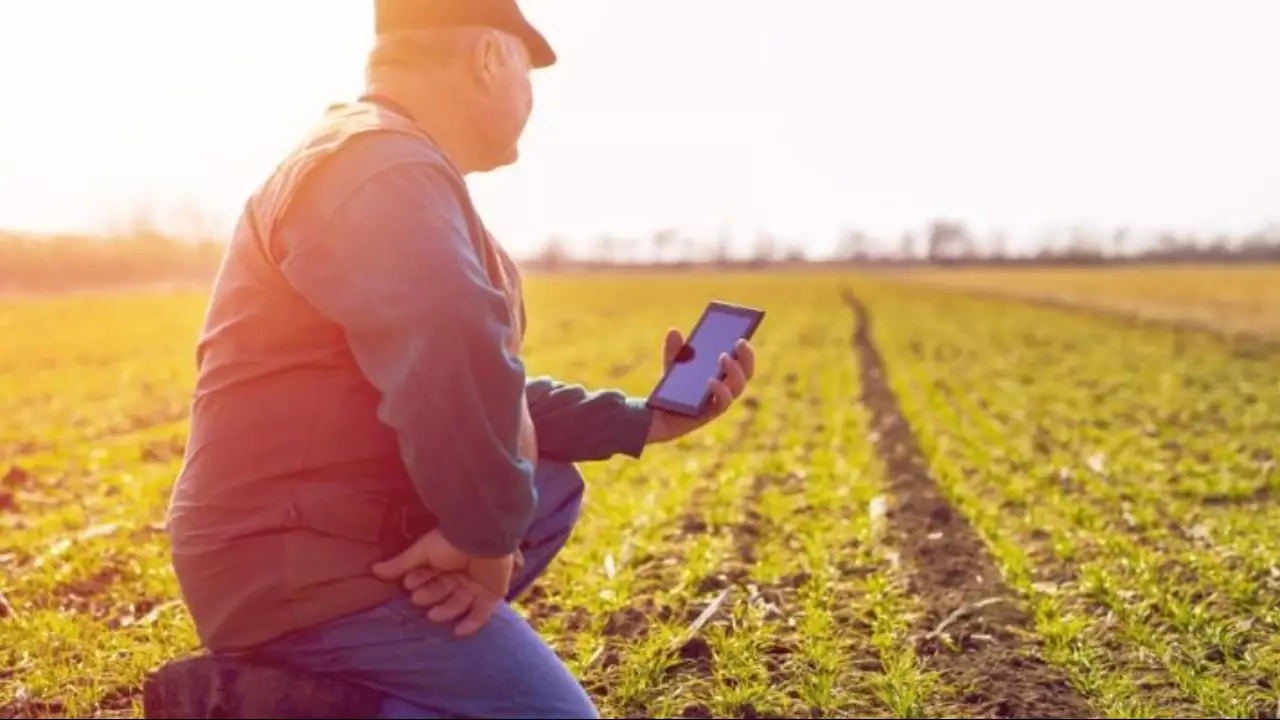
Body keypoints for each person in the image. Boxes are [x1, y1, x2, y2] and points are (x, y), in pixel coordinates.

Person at [163, 1, 756, 717]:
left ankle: (325, 692)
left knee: (547, 484)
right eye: (529, 74)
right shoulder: (378, 168)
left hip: (320, 528)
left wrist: (645, 421)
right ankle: (286, 701)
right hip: (295, 558)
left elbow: (485, 386)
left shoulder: (391, 164)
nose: (532, 101)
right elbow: (451, 352)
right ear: (487, 59)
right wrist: (483, 539)